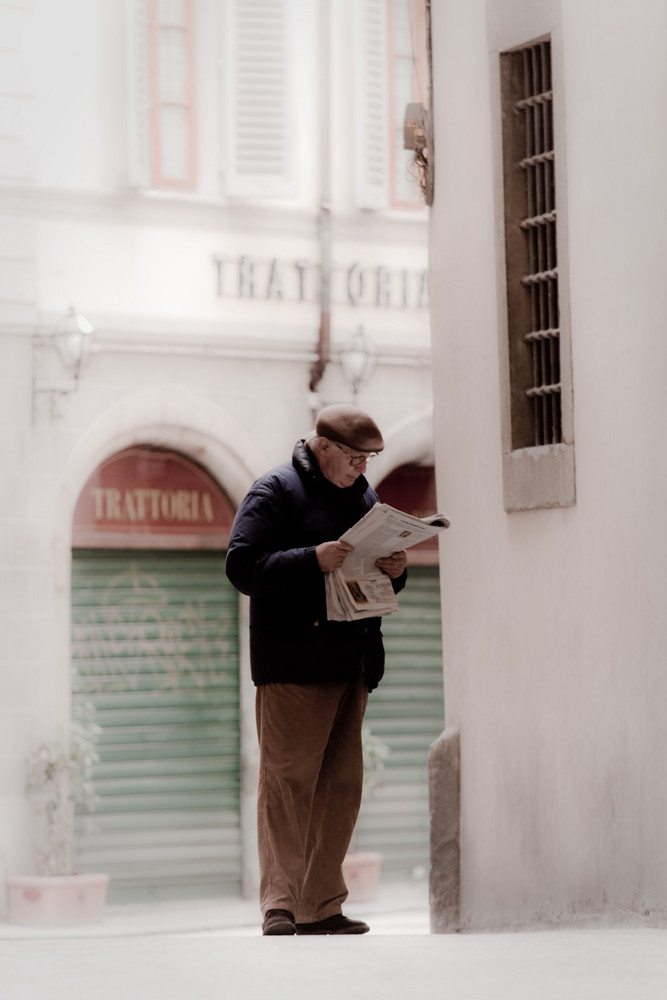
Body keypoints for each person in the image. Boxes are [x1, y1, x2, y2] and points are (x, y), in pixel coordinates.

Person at [225, 404, 408, 936]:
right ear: (323, 446)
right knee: (287, 785)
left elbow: (371, 578)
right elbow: (242, 566)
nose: (362, 470)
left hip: (351, 660)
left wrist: (394, 570)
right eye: (354, 458)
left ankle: (321, 905)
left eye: (369, 459)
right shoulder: (274, 491)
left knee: (341, 786)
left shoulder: (364, 497)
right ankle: (279, 906)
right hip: (293, 664)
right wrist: (312, 559)